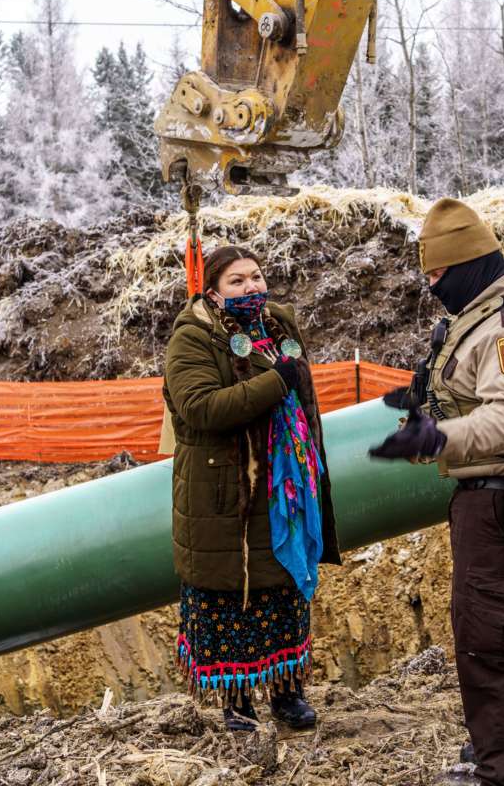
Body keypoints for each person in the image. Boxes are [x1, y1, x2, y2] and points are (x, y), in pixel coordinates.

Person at [370, 198, 504, 786]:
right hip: (493, 502)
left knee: (497, 647)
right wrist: (425, 404)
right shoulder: (482, 313)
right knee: (485, 638)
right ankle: (500, 754)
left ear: (467, 265)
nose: (433, 287)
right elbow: (473, 389)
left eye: (436, 276)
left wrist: (434, 437)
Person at [162, 245, 341, 732]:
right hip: (224, 491)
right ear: (213, 291)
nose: (251, 288)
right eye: (237, 281)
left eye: (257, 277)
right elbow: (201, 407)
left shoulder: (278, 322)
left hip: (283, 483)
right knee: (233, 594)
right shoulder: (193, 336)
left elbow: (305, 398)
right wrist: (276, 382)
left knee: (282, 586)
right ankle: (236, 701)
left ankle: (287, 693)